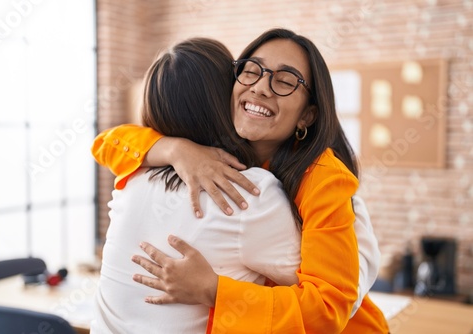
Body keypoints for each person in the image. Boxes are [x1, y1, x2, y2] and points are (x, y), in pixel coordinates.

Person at [93, 29, 389, 333]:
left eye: (285, 81)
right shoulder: (214, 160)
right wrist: (175, 148)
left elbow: (332, 306)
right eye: (251, 71)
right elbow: (106, 143)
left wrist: (214, 290)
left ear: (307, 116)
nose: (261, 87)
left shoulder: (320, 180)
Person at [90, 37, 304, 333]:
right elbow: (313, 291)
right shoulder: (249, 191)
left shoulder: (131, 178)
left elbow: (106, 143)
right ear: (221, 99)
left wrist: (172, 148)